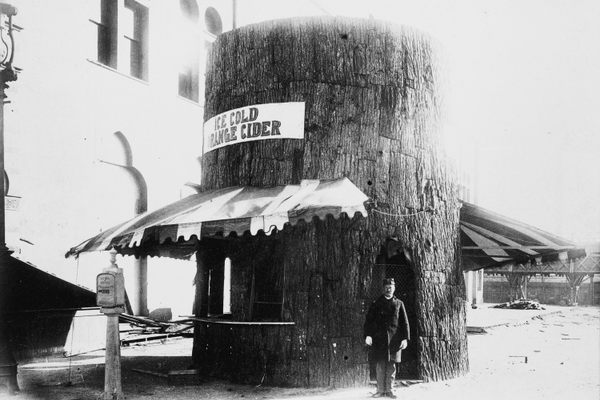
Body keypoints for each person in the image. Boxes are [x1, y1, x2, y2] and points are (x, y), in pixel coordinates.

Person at [364, 278, 410, 398]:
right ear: (383, 288)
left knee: (391, 366)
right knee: (380, 365)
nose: (388, 289)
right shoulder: (376, 303)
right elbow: (369, 321)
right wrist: (368, 335)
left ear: (394, 288)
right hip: (379, 339)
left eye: (391, 287)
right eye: (386, 287)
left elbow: (404, 322)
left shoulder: (399, 304)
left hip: (394, 340)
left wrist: (405, 338)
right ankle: (380, 390)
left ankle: (390, 390)